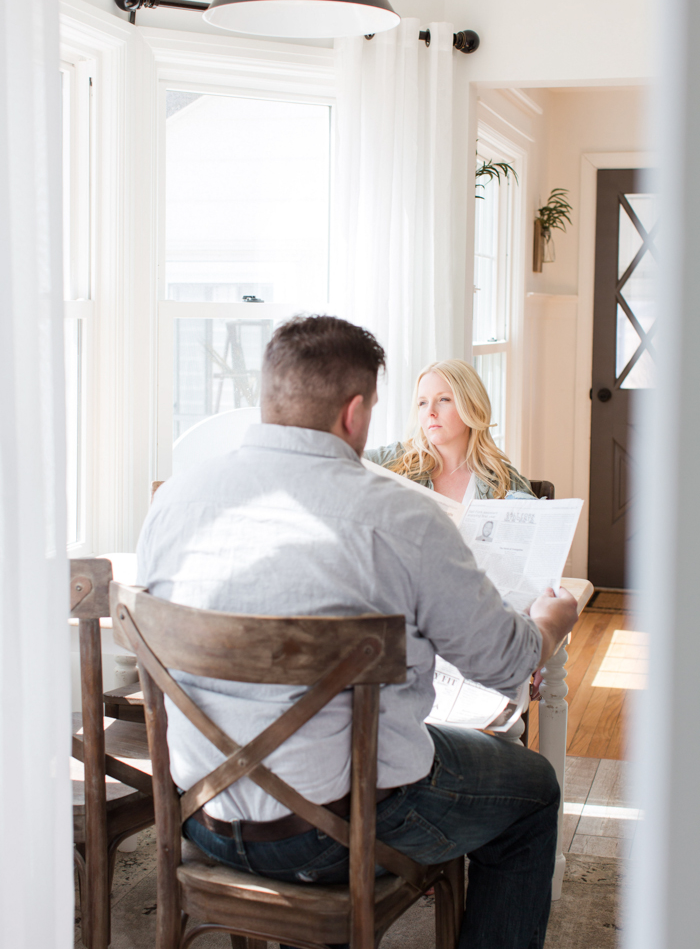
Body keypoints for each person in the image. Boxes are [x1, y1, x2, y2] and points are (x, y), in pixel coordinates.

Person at [136, 315, 578, 949]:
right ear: (356, 413)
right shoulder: (404, 516)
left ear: (269, 397)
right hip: (338, 832)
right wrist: (545, 623)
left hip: (201, 815)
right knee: (533, 789)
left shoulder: (177, 499)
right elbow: (504, 662)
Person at [365, 359, 534, 504]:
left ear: (471, 406)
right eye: (422, 403)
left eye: (443, 399)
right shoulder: (395, 460)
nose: (430, 411)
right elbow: (339, 459)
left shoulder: (505, 482)